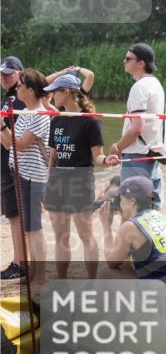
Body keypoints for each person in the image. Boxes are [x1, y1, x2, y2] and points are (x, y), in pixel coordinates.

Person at [44, 74, 118, 279]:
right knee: (61, 236)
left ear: (66, 92)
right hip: (58, 179)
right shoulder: (56, 119)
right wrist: (49, 183)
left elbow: (98, 156)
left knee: (86, 235)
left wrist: (108, 160)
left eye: (55, 91)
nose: (52, 95)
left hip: (80, 178)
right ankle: (61, 280)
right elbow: (53, 156)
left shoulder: (90, 121)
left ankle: (92, 281)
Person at [97, 177, 166, 303]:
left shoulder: (130, 227)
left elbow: (111, 262)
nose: (119, 204)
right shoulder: (159, 216)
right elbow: (123, 261)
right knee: (126, 264)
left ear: (132, 201)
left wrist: (106, 226)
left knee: (105, 273)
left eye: (121, 199)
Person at [0, 69, 51, 281]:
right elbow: (8, 144)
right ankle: (35, 272)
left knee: (33, 228)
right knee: (28, 228)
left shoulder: (38, 114)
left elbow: (19, 145)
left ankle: (40, 274)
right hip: (20, 175)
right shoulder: (26, 113)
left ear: (30, 90)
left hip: (33, 177)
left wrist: (2, 125)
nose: (17, 89)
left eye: (20, 85)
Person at [108, 43, 166, 206]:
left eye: (128, 58)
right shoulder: (155, 84)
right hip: (152, 154)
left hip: (137, 154)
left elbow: (136, 128)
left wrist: (117, 148)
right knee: (151, 209)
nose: (123, 61)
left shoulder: (139, 87)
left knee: (132, 209)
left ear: (141, 63)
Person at [1, 56, 28, 280]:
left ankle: (20, 264)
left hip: (13, 166)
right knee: (12, 214)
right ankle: (19, 261)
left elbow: (11, 143)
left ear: (20, 73)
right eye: (1, 73)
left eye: (8, 73)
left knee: (15, 215)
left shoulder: (19, 100)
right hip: (6, 167)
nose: (3, 77)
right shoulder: (9, 97)